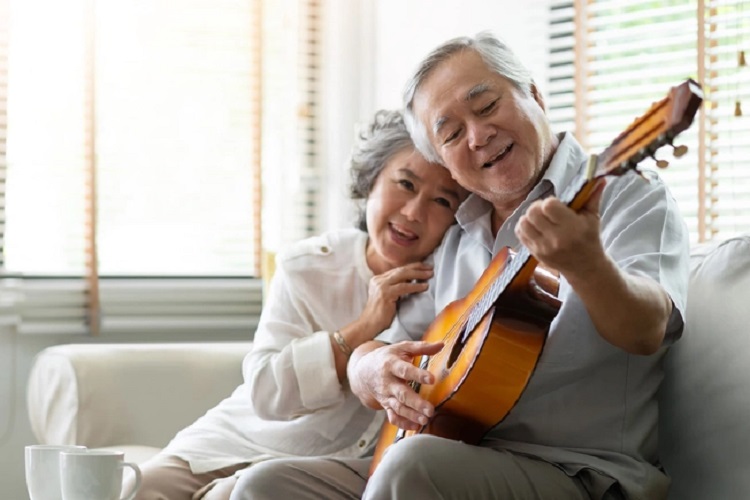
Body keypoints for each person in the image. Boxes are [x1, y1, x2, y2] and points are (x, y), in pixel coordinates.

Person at [232, 32, 689, 500]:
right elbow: (391, 345)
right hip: (449, 452)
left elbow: (648, 329)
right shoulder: (455, 237)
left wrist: (587, 265)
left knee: (411, 465)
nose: (478, 135)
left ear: (533, 93)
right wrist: (367, 369)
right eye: (450, 134)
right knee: (266, 484)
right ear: (445, 162)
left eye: (487, 106)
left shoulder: (626, 195)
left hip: (579, 472)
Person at [125, 109, 468, 500]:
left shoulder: (451, 286)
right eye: (405, 183)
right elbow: (266, 392)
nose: (413, 213)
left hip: (321, 465)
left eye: (441, 201)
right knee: (140, 487)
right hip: (236, 438)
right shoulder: (308, 265)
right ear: (371, 178)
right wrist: (363, 327)